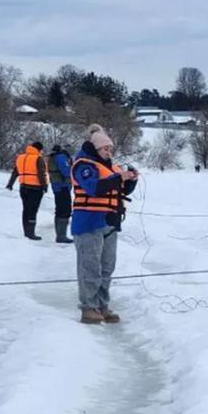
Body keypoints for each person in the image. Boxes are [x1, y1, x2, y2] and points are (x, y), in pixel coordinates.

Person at [70, 124, 139, 324]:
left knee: (107, 267)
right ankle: (88, 307)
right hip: (88, 222)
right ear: (96, 148)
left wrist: (130, 180)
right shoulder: (83, 165)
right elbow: (94, 188)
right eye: (106, 148)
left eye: (110, 148)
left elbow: (120, 191)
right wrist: (119, 178)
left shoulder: (111, 167)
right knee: (90, 267)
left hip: (109, 222)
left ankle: (102, 305)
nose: (109, 151)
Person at [6, 140, 48, 240]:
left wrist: (10, 184)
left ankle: (27, 232)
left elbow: (15, 172)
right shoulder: (38, 158)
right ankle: (31, 233)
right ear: (39, 149)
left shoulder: (21, 157)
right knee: (33, 211)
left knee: (26, 210)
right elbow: (41, 174)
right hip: (35, 188)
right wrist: (44, 185)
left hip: (23, 187)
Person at [47, 143, 74, 243]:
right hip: (63, 186)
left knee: (59, 209)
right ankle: (61, 236)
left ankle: (59, 234)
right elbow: (66, 171)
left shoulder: (53, 157)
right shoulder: (61, 158)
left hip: (57, 186)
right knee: (65, 210)